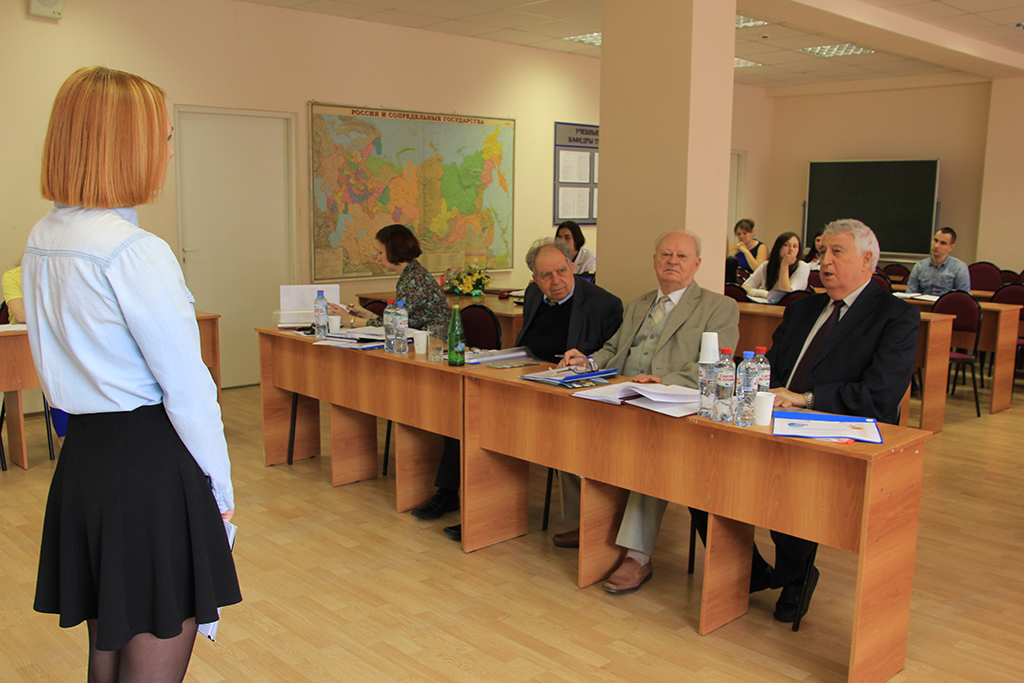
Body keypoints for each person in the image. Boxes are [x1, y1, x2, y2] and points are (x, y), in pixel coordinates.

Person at [22, 66, 240, 683]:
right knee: (148, 661)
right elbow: (188, 390)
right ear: (126, 144)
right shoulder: (133, 250)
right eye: (164, 137)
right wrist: (221, 497)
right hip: (148, 470)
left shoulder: (44, 236)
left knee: (109, 651)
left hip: (86, 461)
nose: (169, 151)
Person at [693, 219, 920, 623]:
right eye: (822, 252)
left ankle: (796, 574)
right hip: (773, 419)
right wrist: (759, 393)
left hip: (836, 427)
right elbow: (769, 369)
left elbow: (880, 394)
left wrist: (807, 399)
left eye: (837, 252)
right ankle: (753, 572)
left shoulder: (895, 316)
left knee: (789, 487)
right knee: (703, 476)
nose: (824, 261)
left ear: (867, 259)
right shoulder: (803, 309)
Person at [558, 231, 739, 587]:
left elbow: (715, 366)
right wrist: (587, 362)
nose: (672, 261)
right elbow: (613, 349)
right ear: (655, 260)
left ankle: (637, 556)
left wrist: (663, 382)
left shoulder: (719, 307)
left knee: (649, 453)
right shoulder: (639, 305)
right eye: (666, 254)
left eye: (682, 256)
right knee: (571, 428)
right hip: (623, 398)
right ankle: (590, 524)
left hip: (672, 408)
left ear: (697, 264)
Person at [439, 239, 624, 540]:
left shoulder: (604, 304)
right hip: (523, 379)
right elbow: (526, 343)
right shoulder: (534, 294)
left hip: (565, 394)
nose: (556, 281)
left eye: (561, 271)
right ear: (535, 279)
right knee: (470, 413)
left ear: (573, 267)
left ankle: (585, 524)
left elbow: (613, 360)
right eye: (546, 275)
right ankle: (469, 505)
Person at [332, 223, 450, 331]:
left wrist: (350, 320)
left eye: (380, 253)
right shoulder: (411, 273)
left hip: (434, 342)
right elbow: (394, 321)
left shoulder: (415, 280)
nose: (378, 258)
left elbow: (395, 324)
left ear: (394, 251)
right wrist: (364, 313)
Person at [2, 262, 70, 447]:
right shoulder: (13, 276)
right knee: (57, 380)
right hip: (26, 347)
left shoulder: (62, 271)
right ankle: (64, 440)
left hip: (62, 341)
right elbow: (21, 314)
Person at [742, 232, 811, 302]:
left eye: (795, 246)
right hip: (766, 305)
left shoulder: (803, 267)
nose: (791, 249)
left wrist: (784, 265)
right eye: (786, 245)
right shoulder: (766, 265)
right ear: (778, 247)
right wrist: (764, 294)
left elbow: (786, 294)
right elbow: (745, 287)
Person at [905, 227, 970, 296]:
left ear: (951, 247)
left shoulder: (959, 268)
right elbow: (910, 293)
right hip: (923, 302)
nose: (936, 246)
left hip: (947, 302)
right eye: (935, 240)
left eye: (943, 243)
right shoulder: (920, 266)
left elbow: (963, 297)